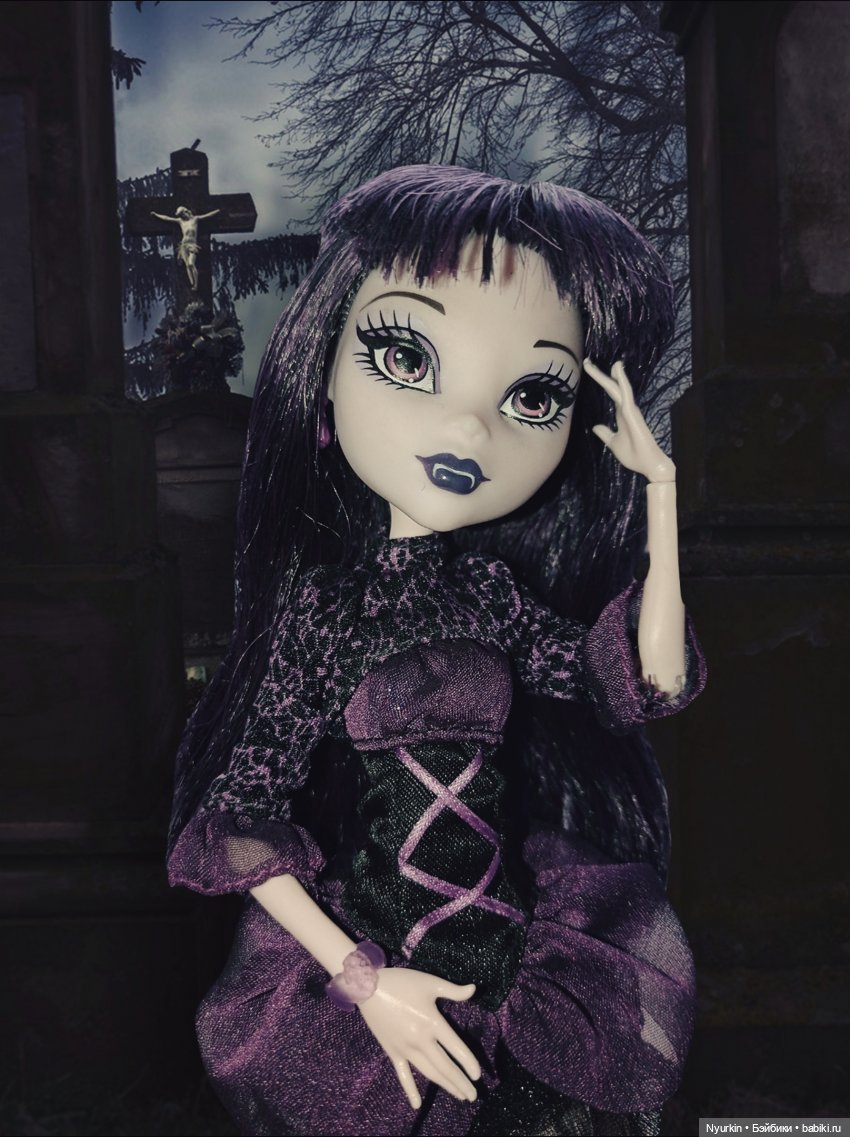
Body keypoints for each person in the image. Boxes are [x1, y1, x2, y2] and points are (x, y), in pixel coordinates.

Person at [167, 166, 706, 1137]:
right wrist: (365, 981)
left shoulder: (489, 597)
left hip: (517, 955)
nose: (468, 425)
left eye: (532, 395)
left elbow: (645, 680)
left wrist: (658, 493)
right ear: (322, 380)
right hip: (385, 958)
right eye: (405, 356)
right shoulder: (326, 613)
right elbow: (240, 817)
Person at [150, 204, 220, 289]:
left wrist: (217, 211)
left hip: (192, 245)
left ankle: (196, 284)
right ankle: (192, 283)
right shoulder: (180, 221)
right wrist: (156, 215)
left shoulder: (195, 219)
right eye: (180, 215)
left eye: (182, 214)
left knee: (191, 263)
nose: (182, 216)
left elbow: (207, 216)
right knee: (187, 265)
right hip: (183, 245)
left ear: (186, 212)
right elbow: (167, 218)